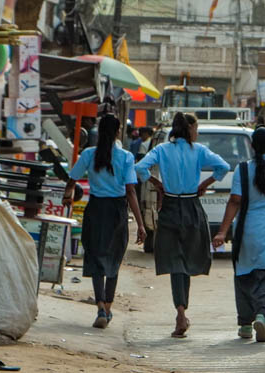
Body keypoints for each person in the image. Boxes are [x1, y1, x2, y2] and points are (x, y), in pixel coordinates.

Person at [134, 113, 230, 338]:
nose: (197, 133)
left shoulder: (162, 150)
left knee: (175, 261)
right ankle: (182, 311)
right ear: (189, 129)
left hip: (169, 207)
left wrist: (156, 182)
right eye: (195, 129)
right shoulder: (198, 151)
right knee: (186, 260)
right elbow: (223, 167)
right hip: (191, 207)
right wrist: (205, 183)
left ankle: (180, 310)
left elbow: (140, 168)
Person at [65, 114, 144, 329]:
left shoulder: (89, 154)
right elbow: (130, 191)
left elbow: (72, 178)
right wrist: (141, 224)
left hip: (96, 209)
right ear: (119, 132)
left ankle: (100, 305)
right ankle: (107, 308)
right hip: (117, 211)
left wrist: (68, 193)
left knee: (96, 258)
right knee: (114, 259)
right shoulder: (127, 157)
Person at [212, 126, 265, 342]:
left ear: (251, 146)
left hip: (247, 229)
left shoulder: (242, 169)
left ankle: (245, 324)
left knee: (244, 275)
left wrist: (222, 232)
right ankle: (262, 315)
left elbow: (235, 201)